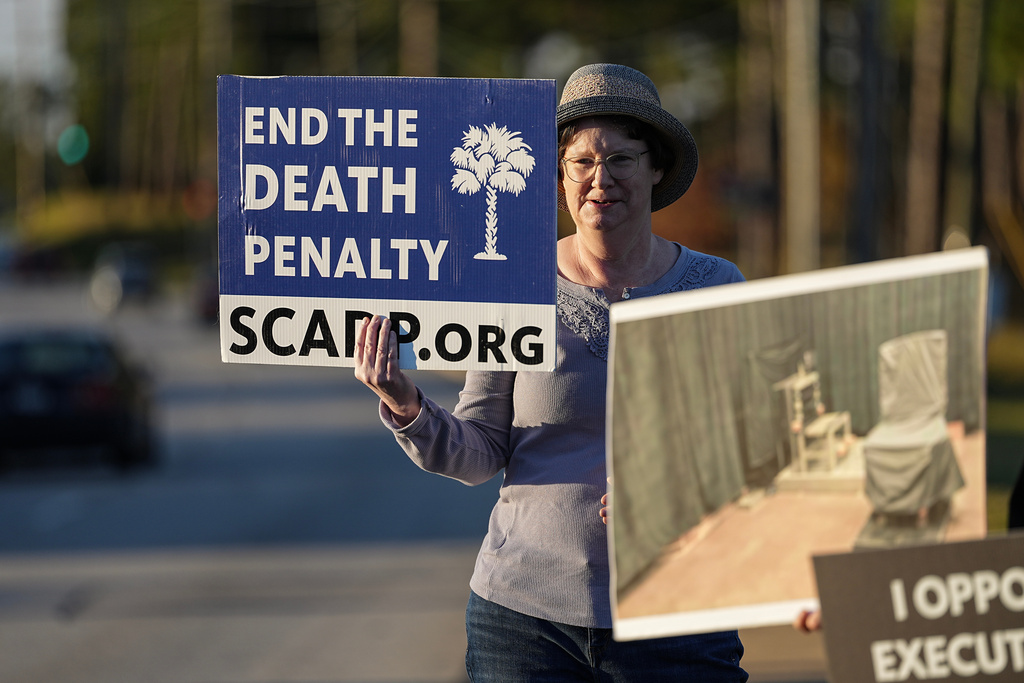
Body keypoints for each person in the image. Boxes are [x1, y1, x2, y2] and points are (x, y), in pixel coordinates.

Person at [355, 63, 748, 681]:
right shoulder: (514, 284)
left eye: (621, 158)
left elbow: (753, 447)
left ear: (656, 168)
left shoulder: (717, 288)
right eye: (581, 161)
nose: (601, 180)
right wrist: (407, 406)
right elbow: (479, 451)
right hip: (523, 624)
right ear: (559, 175)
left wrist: (674, 492)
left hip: (678, 615)